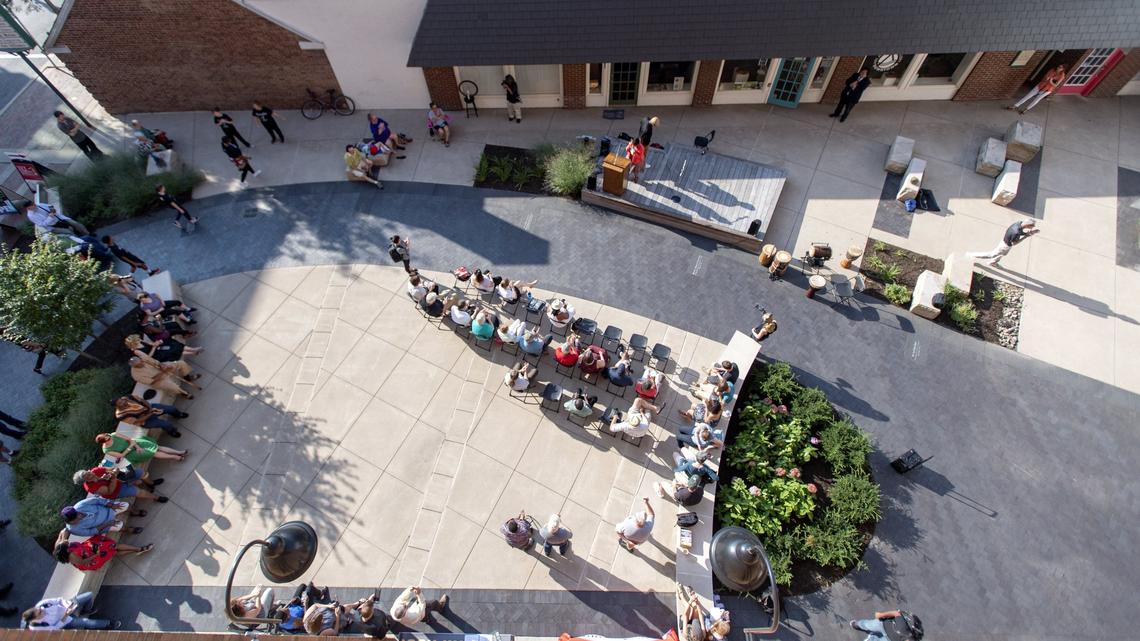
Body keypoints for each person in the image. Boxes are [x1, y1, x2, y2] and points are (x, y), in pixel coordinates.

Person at [53, 530, 151, 571]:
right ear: (66, 551)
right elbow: (83, 562)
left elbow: (64, 531)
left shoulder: (60, 544)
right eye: (66, 544)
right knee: (114, 549)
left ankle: (137, 550)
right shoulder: (72, 556)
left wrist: (63, 537)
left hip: (88, 548)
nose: (67, 541)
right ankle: (139, 549)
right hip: (92, 558)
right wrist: (97, 554)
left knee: (114, 548)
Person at [21, 592, 119, 630]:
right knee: (86, 622)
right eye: (39, 612)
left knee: (89, 595)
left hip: (67, 607)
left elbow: (58, 600)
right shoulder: (37, 627)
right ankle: (109, 624)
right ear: (35, 619)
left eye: (37, 608)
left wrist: (68, 605)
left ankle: (87, 610)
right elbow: (55, 628)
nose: (41, 609)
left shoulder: (41, 605)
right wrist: (66, 615)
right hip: (65, 621)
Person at [967, 219, 1039, 267]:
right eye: (1032, 226)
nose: (1033, 227)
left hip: (1005, 241)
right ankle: (971, 255)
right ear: (1027, 225)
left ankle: (993, 263)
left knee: (1002, 254)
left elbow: (1019, 232)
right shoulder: (1016, 233)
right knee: (991, 255)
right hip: (1005, 246)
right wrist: (1026, 236)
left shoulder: (1018, 223)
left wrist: (1026, 233)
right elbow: (1014, 243)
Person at [115, 392, 188, 438]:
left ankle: (178, 414)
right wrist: (151, 413)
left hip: (149, 409)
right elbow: (138, 421)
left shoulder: (128, 397)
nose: (123, 402)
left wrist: (150, 409)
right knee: (166, 424)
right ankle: (172, 431)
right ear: (117, 406)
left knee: (172, 409)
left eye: (121, 400)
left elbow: (143, 400)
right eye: (120, 403)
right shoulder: (121, 416)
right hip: (145, 421)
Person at [74, 465, 166, 501]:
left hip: (120, 477)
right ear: (86, 481)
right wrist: (113, 478)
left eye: (88, 472)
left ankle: (151, 483)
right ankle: (156, 497)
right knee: (139, 492)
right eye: (89, 476)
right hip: (116, 490)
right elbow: (109, 491)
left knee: (140, 472)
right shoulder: (91, 488)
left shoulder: (95, 470)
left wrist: (114, 472)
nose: (91, 473)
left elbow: (113, 468)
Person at [128, 354, 201, 398]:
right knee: (172, 386)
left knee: (180, 363)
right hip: (157, 380)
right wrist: (163, 372)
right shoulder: (136, 375)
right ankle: (183, 393)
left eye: (141, 361)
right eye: (140, 364)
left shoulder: (144, 359)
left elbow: (156, 362)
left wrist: (162, 365)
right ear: (135, 366)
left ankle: (187, 377)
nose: (142, 363)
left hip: (161, 370)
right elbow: (152, 381)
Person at [60, 497, 137, 537]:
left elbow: (96, 500)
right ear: (69, 522)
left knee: (126, 505)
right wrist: (107, 524)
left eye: (77, 515)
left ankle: (135, 512)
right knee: (120, 527)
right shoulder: (74, 529)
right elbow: (91, 532)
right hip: (104, 525)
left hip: (108, 509)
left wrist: (111, 505)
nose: (79, 517)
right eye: (75, 520)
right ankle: (129, 529)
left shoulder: (80, 505)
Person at [97, 432, 187, 464]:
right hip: (130, 453)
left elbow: (129, 439)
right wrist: (131, 447)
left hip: (135, 443)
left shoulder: (114, 434)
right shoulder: (107, 450)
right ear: (104, 442)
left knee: (156, 447)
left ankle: (179, 452)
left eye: (108, 435)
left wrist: (137, 446)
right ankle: (175, 457)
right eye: (108, 438)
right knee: (153, 453)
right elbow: (121, 455)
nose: (110, 437)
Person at [849, 610, 923, 641]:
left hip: (889, 639)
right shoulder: (903, 627)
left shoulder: (913, 638)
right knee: (867, 624)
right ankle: (857, 624)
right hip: (884, 625)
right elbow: (896, 613)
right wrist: (881, 615)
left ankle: (873, 637)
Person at [126, 333, 201, 363]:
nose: (139, 340)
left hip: (157, 349)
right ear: (134, 343)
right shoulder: (136, 351)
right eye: (137, 340)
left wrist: (157, 343)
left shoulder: (141, 341)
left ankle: (192, 350)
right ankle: (192, 352)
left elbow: (151, 344)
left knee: (173, 344)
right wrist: (154, 347)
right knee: (172, 351)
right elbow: (148, 357)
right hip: (157, 356)